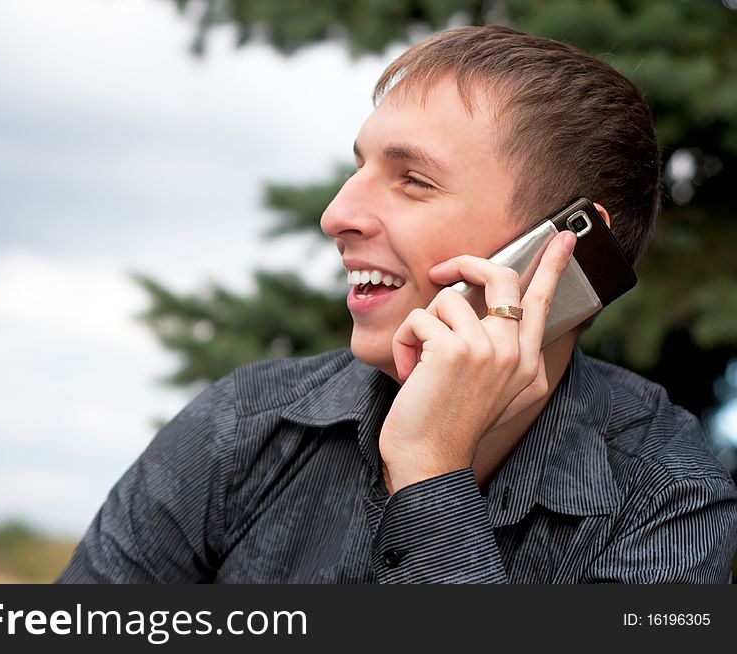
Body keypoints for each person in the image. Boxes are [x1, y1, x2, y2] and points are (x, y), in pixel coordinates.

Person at [58, 26, 737, 583]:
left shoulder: (669, 503)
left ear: (561, 252)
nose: (337, 215)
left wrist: (430, 473)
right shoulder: (244, 427)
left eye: (413, 180)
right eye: (359, 169)